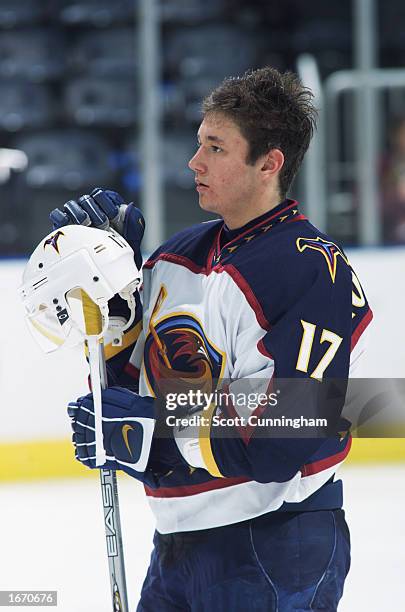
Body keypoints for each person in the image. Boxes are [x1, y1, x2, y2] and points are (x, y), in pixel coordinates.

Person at [51, 67, 373, 611]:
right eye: (200, 144)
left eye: (217, 148)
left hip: (275, 544)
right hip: (176, 545)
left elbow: (283, 437)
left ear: (269, 163)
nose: (194, 163)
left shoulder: (310, 270)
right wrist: (109, 297)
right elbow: (126, 382)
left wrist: (147, 427)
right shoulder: (180, 254)